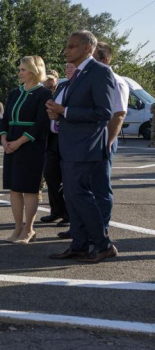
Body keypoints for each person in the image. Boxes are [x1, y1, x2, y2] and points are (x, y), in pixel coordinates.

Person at [47, 30, 117, 263]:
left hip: (86, 146)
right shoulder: (77, 74)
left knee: (79, 194)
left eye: (72, 46)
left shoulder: (100, 72)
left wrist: (64, 111)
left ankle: (103, 244)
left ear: (87, 48)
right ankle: (79, 244)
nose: (66, 50)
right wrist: (58, 115)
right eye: (67, 46)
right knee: (72, 195)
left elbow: (104, 112)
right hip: (71, 144)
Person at [0, 56, 53, 244]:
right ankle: (17, 228)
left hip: (31, 146)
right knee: (14, 189)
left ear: (34, 71)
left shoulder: (43, 94)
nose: (19, 73)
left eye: (23, 69)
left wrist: (19, 142)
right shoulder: (14, 93)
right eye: (20, 69)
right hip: (11, 144)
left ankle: (29, 229)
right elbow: (4, 119)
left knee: (29, 189)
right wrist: (4, 140)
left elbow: (41, 124)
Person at [93, 42, 129, 236]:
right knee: (87, 187)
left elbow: (119, 114)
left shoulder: (116, 81)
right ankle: (83, 228)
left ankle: (100, 231)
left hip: (103, 139)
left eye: (94, 58)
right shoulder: (92, 79)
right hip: (89, 140)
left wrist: (107, 141)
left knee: (100, 187)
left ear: (105, 60)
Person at [39, 68, 71, 231]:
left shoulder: (66, 90)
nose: (48, 81)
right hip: (50, 140)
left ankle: (67, 214)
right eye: (46, 79)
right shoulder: (44, 94)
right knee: (50, 175)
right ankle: (56, 211)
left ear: (57, 79)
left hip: (64, 139)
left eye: (51, 79)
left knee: (66, 179)